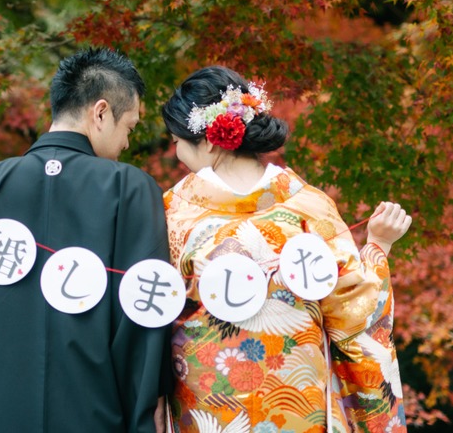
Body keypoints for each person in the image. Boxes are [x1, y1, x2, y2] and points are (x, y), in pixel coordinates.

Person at [0, 47, 172, 432]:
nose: (125, 144)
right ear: (101, 112)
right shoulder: (131, 188)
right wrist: (148, 403)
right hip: (95, 411)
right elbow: (141, 315)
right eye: (129, 128)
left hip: (3, 412)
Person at [159, 65, 411, 433]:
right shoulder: (309, 206)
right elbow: (357, 313)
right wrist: (377, 246)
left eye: (177, 140)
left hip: (207, 411)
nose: (177, 152)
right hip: (297, 406)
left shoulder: (174, 213)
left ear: (209, 141)